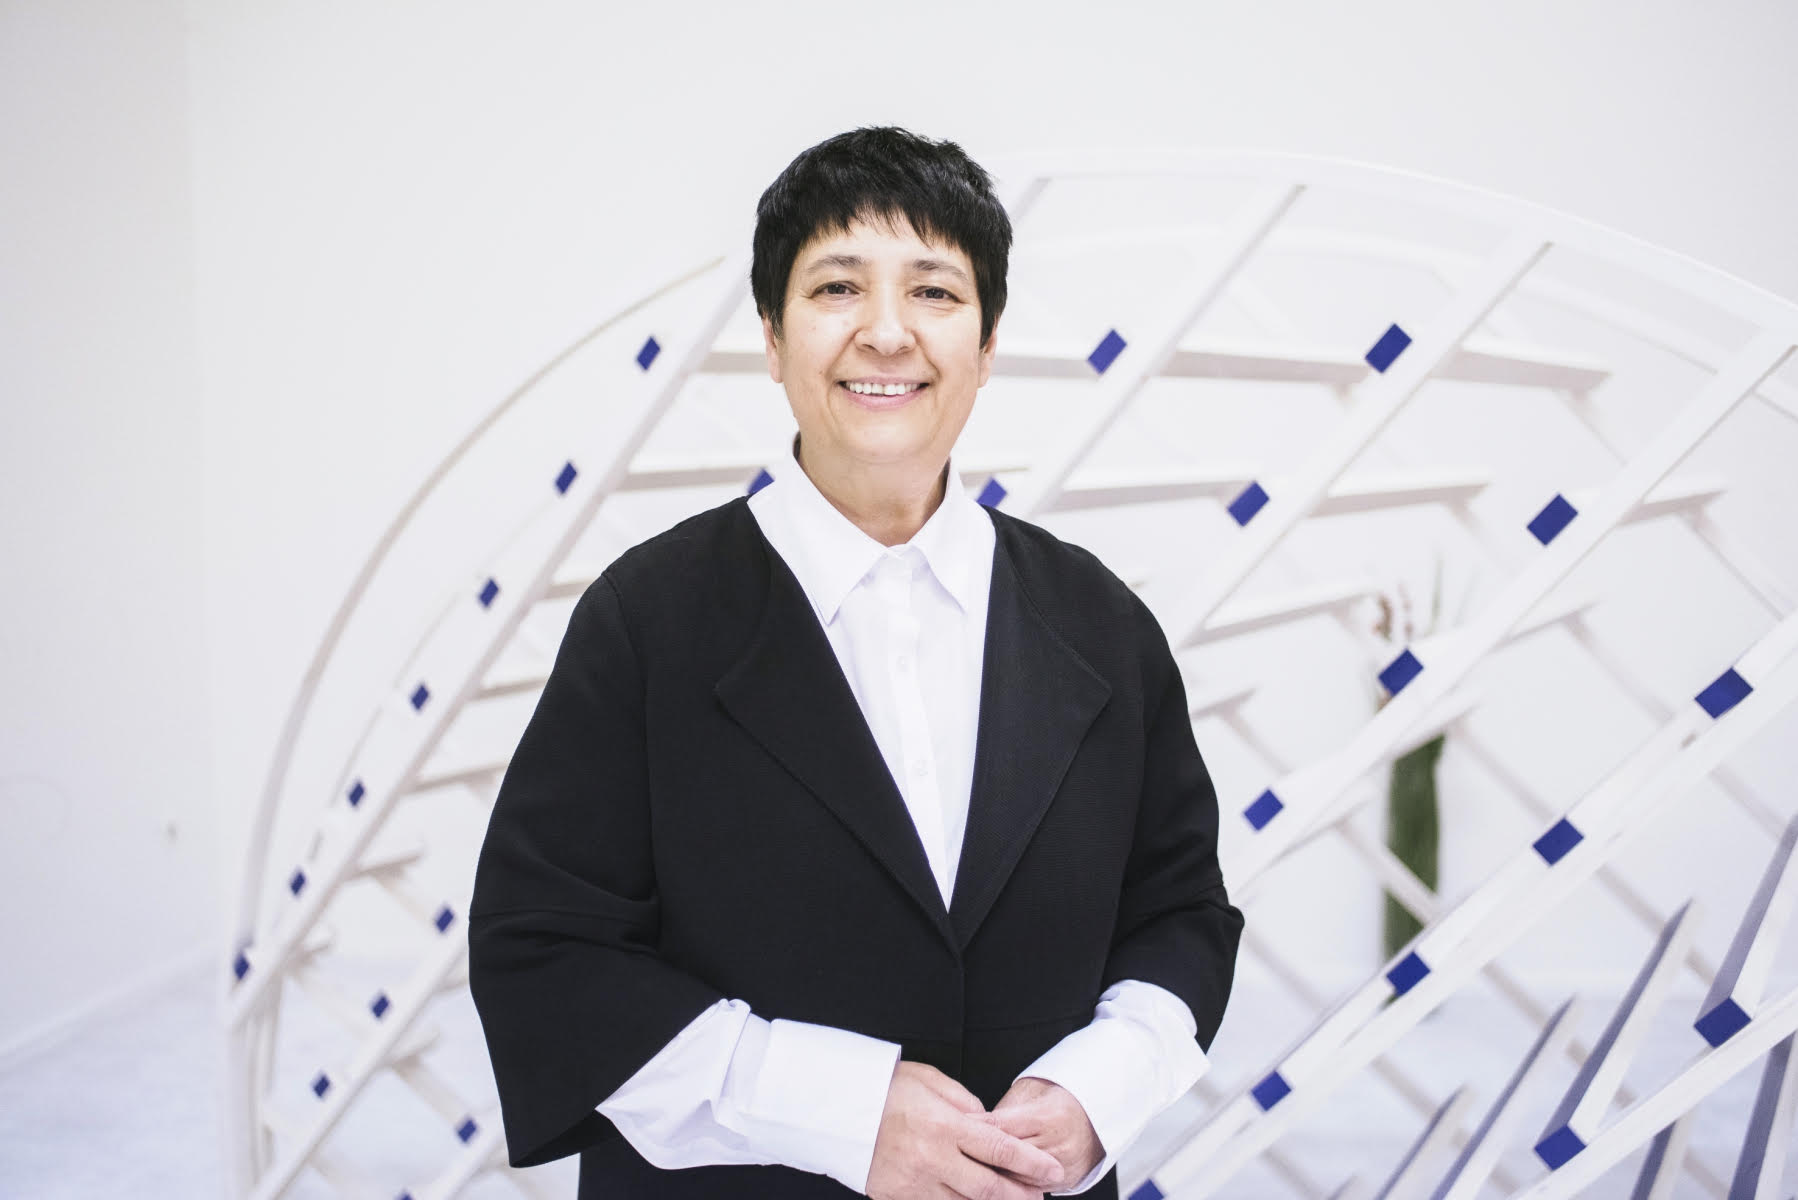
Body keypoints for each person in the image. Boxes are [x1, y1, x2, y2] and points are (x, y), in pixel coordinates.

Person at [468, 127, 1243, 1200]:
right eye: (837, 287)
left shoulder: (1101, 623)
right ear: (773, 338)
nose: (885, 332)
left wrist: (1097, 1091)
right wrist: (840, 1111)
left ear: (987, 342)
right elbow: (545, 952)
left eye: (934, 291)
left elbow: (1181, 916)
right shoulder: (645, 620)